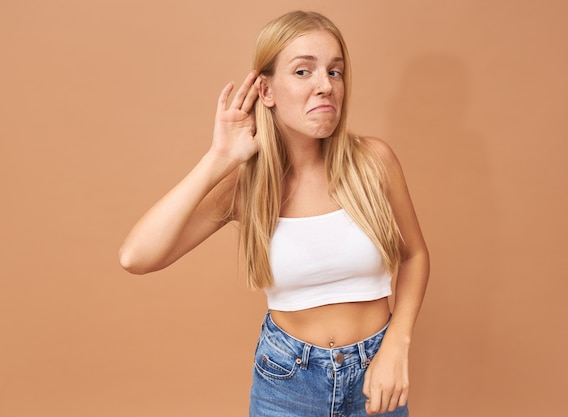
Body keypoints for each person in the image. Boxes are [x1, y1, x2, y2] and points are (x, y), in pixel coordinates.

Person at [119, 10, 429, 417]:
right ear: (265, 91)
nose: (325, 86)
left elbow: (415, 257)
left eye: (335, 72)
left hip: (377, 377)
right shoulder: (248, 187)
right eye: (304, 71)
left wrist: (397, 346)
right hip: (287, 380)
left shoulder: (373, 162)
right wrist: (218, 158)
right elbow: (136, 257)